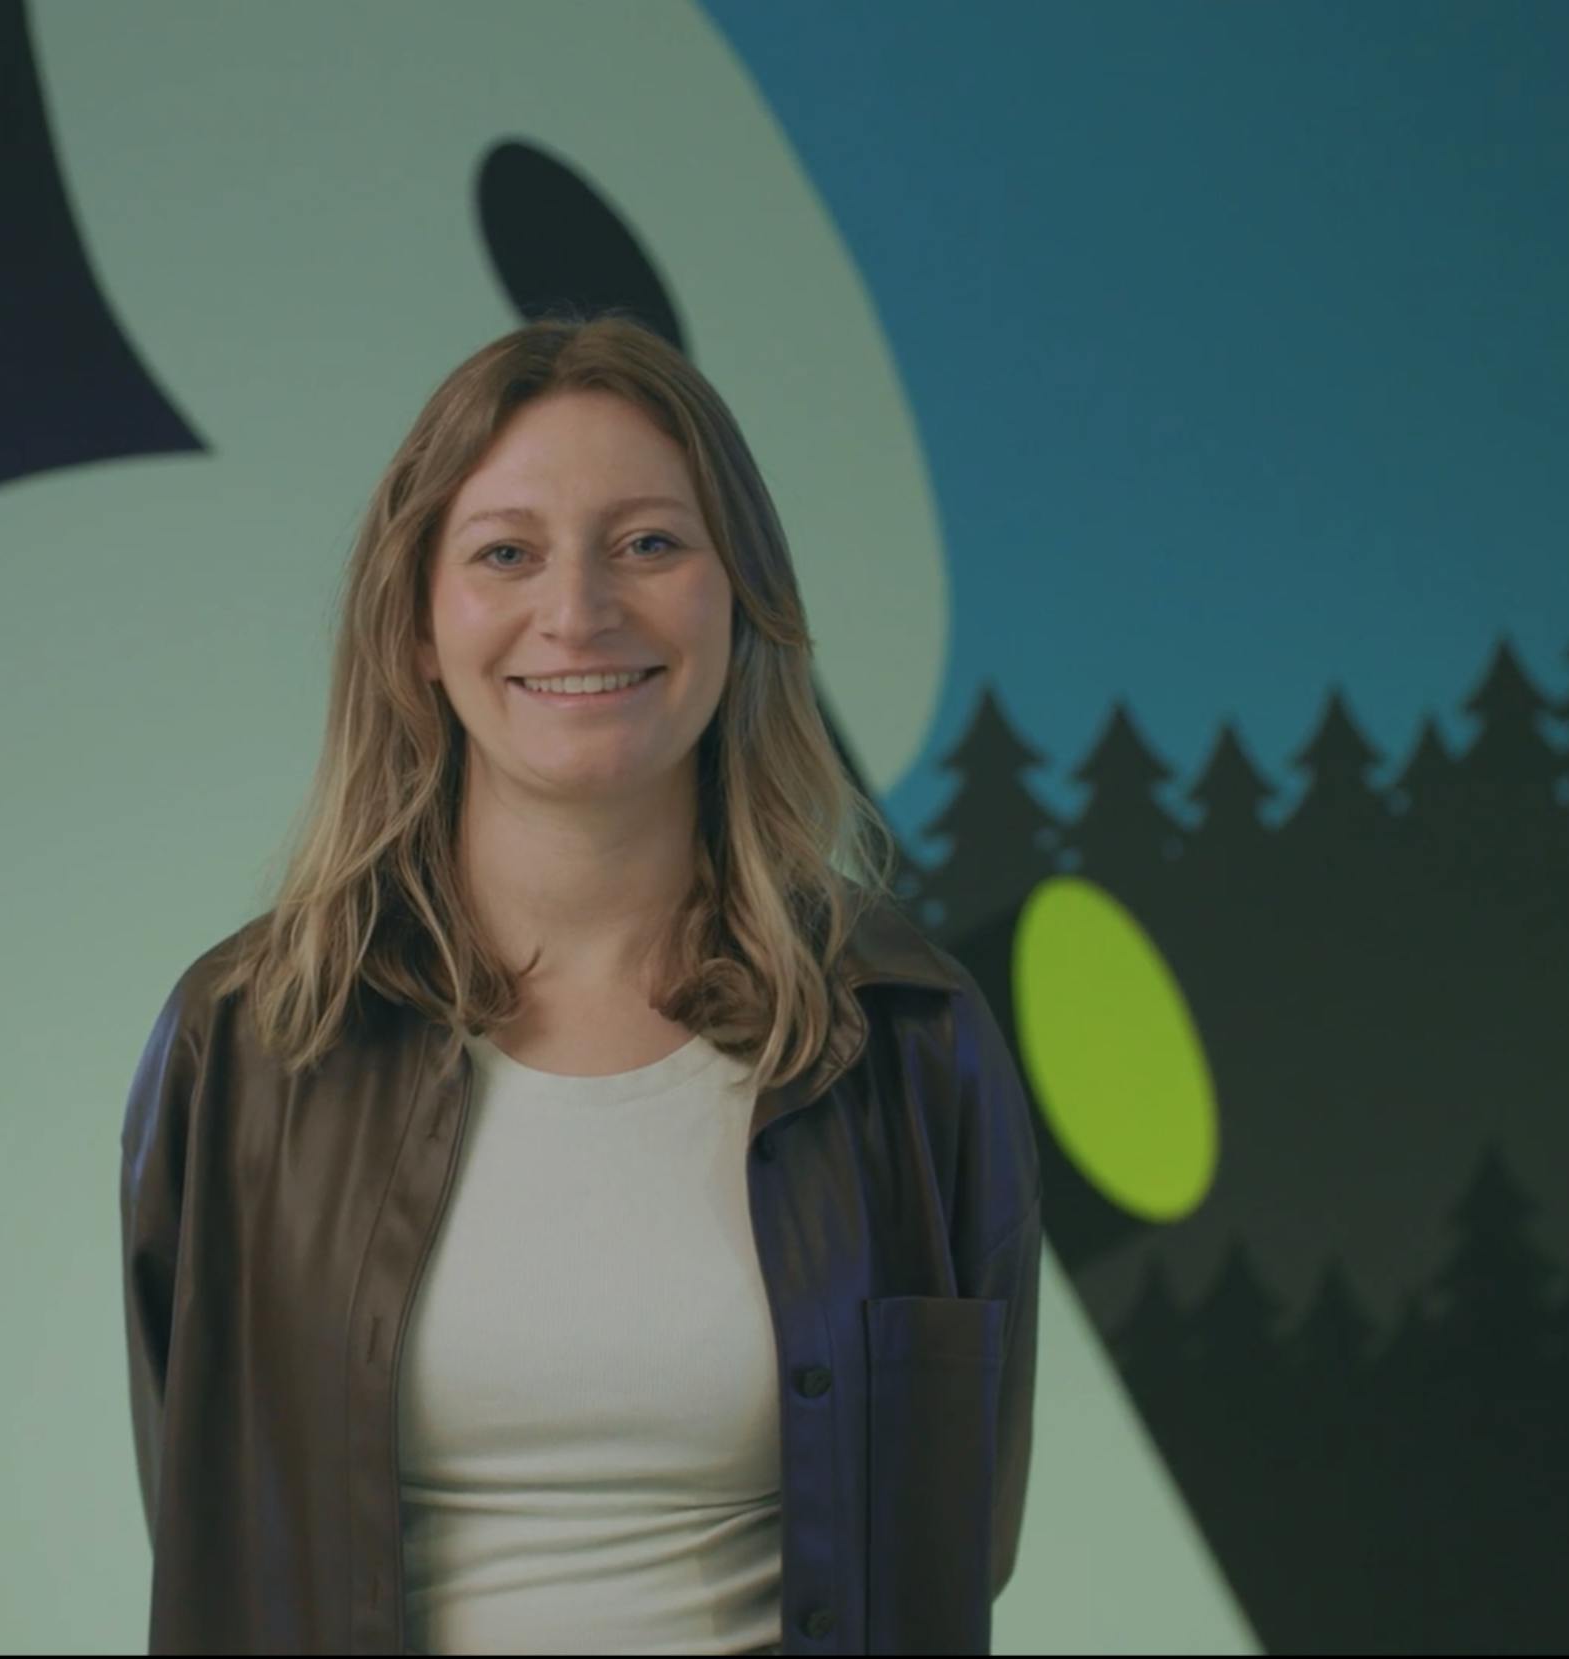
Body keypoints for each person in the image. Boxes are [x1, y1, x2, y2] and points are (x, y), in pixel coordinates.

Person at [121, 311, 1042, 1656]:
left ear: (744, 599)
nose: (580, 611)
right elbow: (213, 1544)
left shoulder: (908, 1041)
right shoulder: (250, 1043)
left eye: (650, 544)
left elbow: (961, 1546)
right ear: (420, 628)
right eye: (506, 552)